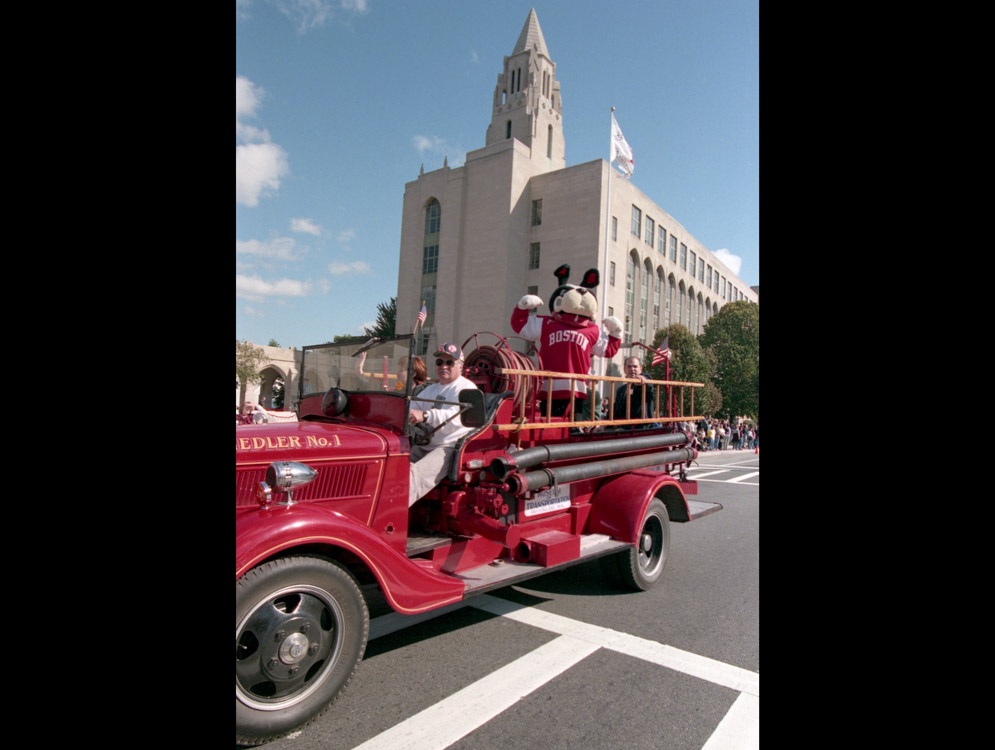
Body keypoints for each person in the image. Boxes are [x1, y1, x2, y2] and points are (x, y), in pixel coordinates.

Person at [407, 343, 478, 506]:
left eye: (449, 362)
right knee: (392, 464)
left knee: (414, 475)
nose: (443, 366)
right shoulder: (431, 389)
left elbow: (455, 417)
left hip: (447, 448)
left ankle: (389, 515)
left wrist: (425, 415)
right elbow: (413, 407)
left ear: (460, 366)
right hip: (424, 442)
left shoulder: (466, 388)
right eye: (440, 362)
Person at [612, 356, 655, 421]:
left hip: (641, 427)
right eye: (629, 366)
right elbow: (615, 409)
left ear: (640, 369)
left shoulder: (644, 382)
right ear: (624, 369)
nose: (632, 369)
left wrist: (642, 378)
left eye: (635, 366)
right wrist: (604, 425)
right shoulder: (621, 390)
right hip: (622, 426)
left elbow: (648, 382)